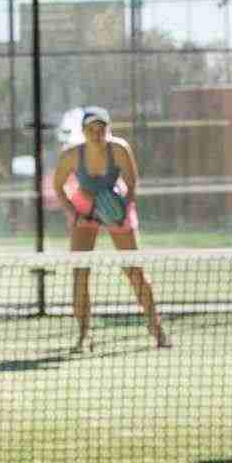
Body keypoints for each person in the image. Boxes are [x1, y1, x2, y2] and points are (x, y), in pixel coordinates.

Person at [52, 105, 171, 353]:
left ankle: (157, 329)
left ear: (108, 129)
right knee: (80, 272)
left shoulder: (119, 149)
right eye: (91, 129)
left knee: (134, 271)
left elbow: (131, 183)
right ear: (83, 131)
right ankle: (84, 335)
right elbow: (58, 186)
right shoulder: (71, 154)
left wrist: (121, 211)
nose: (96, 134)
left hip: (115, 205)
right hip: (84, 206)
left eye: (101, 128)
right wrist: (72, 212)